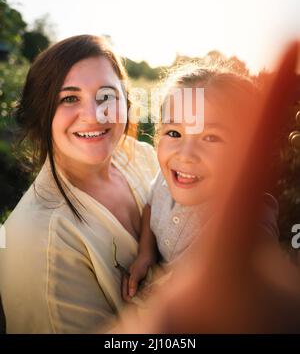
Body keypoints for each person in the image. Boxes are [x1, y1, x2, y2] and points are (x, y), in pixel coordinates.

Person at [0, 35, 159, 333]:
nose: (94, 114)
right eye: (69, 98)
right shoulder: (43, 243)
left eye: (107, 95)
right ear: (40, 113)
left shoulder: (142, 156)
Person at [122, 61, 279, 300]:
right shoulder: (165, 180)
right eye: (174, 133)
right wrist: (146, 252)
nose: (185, 155)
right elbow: (150, 208)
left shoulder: (248, 216)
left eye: (211, 137)